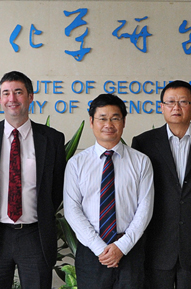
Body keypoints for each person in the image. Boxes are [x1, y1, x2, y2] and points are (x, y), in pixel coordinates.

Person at [0, 71, 66, 289]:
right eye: (6, 93)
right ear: (0, 98)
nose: (11, 99)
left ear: (31, 97)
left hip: (35, 236)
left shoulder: (52, 139)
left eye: (18, 92)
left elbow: (57, 187)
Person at [130, 80, 191, 289]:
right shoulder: (143, 143)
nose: (176, 107)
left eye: (183, 102)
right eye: (170, 102)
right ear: (161, 107)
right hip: (156, 244)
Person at [64, 93, 154, 288]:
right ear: (91, 121)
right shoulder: (76, 164)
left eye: (115, 118)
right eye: (102, 118)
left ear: (123, 122)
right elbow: (72, 210)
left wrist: (121, 247)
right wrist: (100, 248)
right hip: (91, 252)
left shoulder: (141, 162)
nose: (109, 124)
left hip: (130, 250)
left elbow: (145, 209)